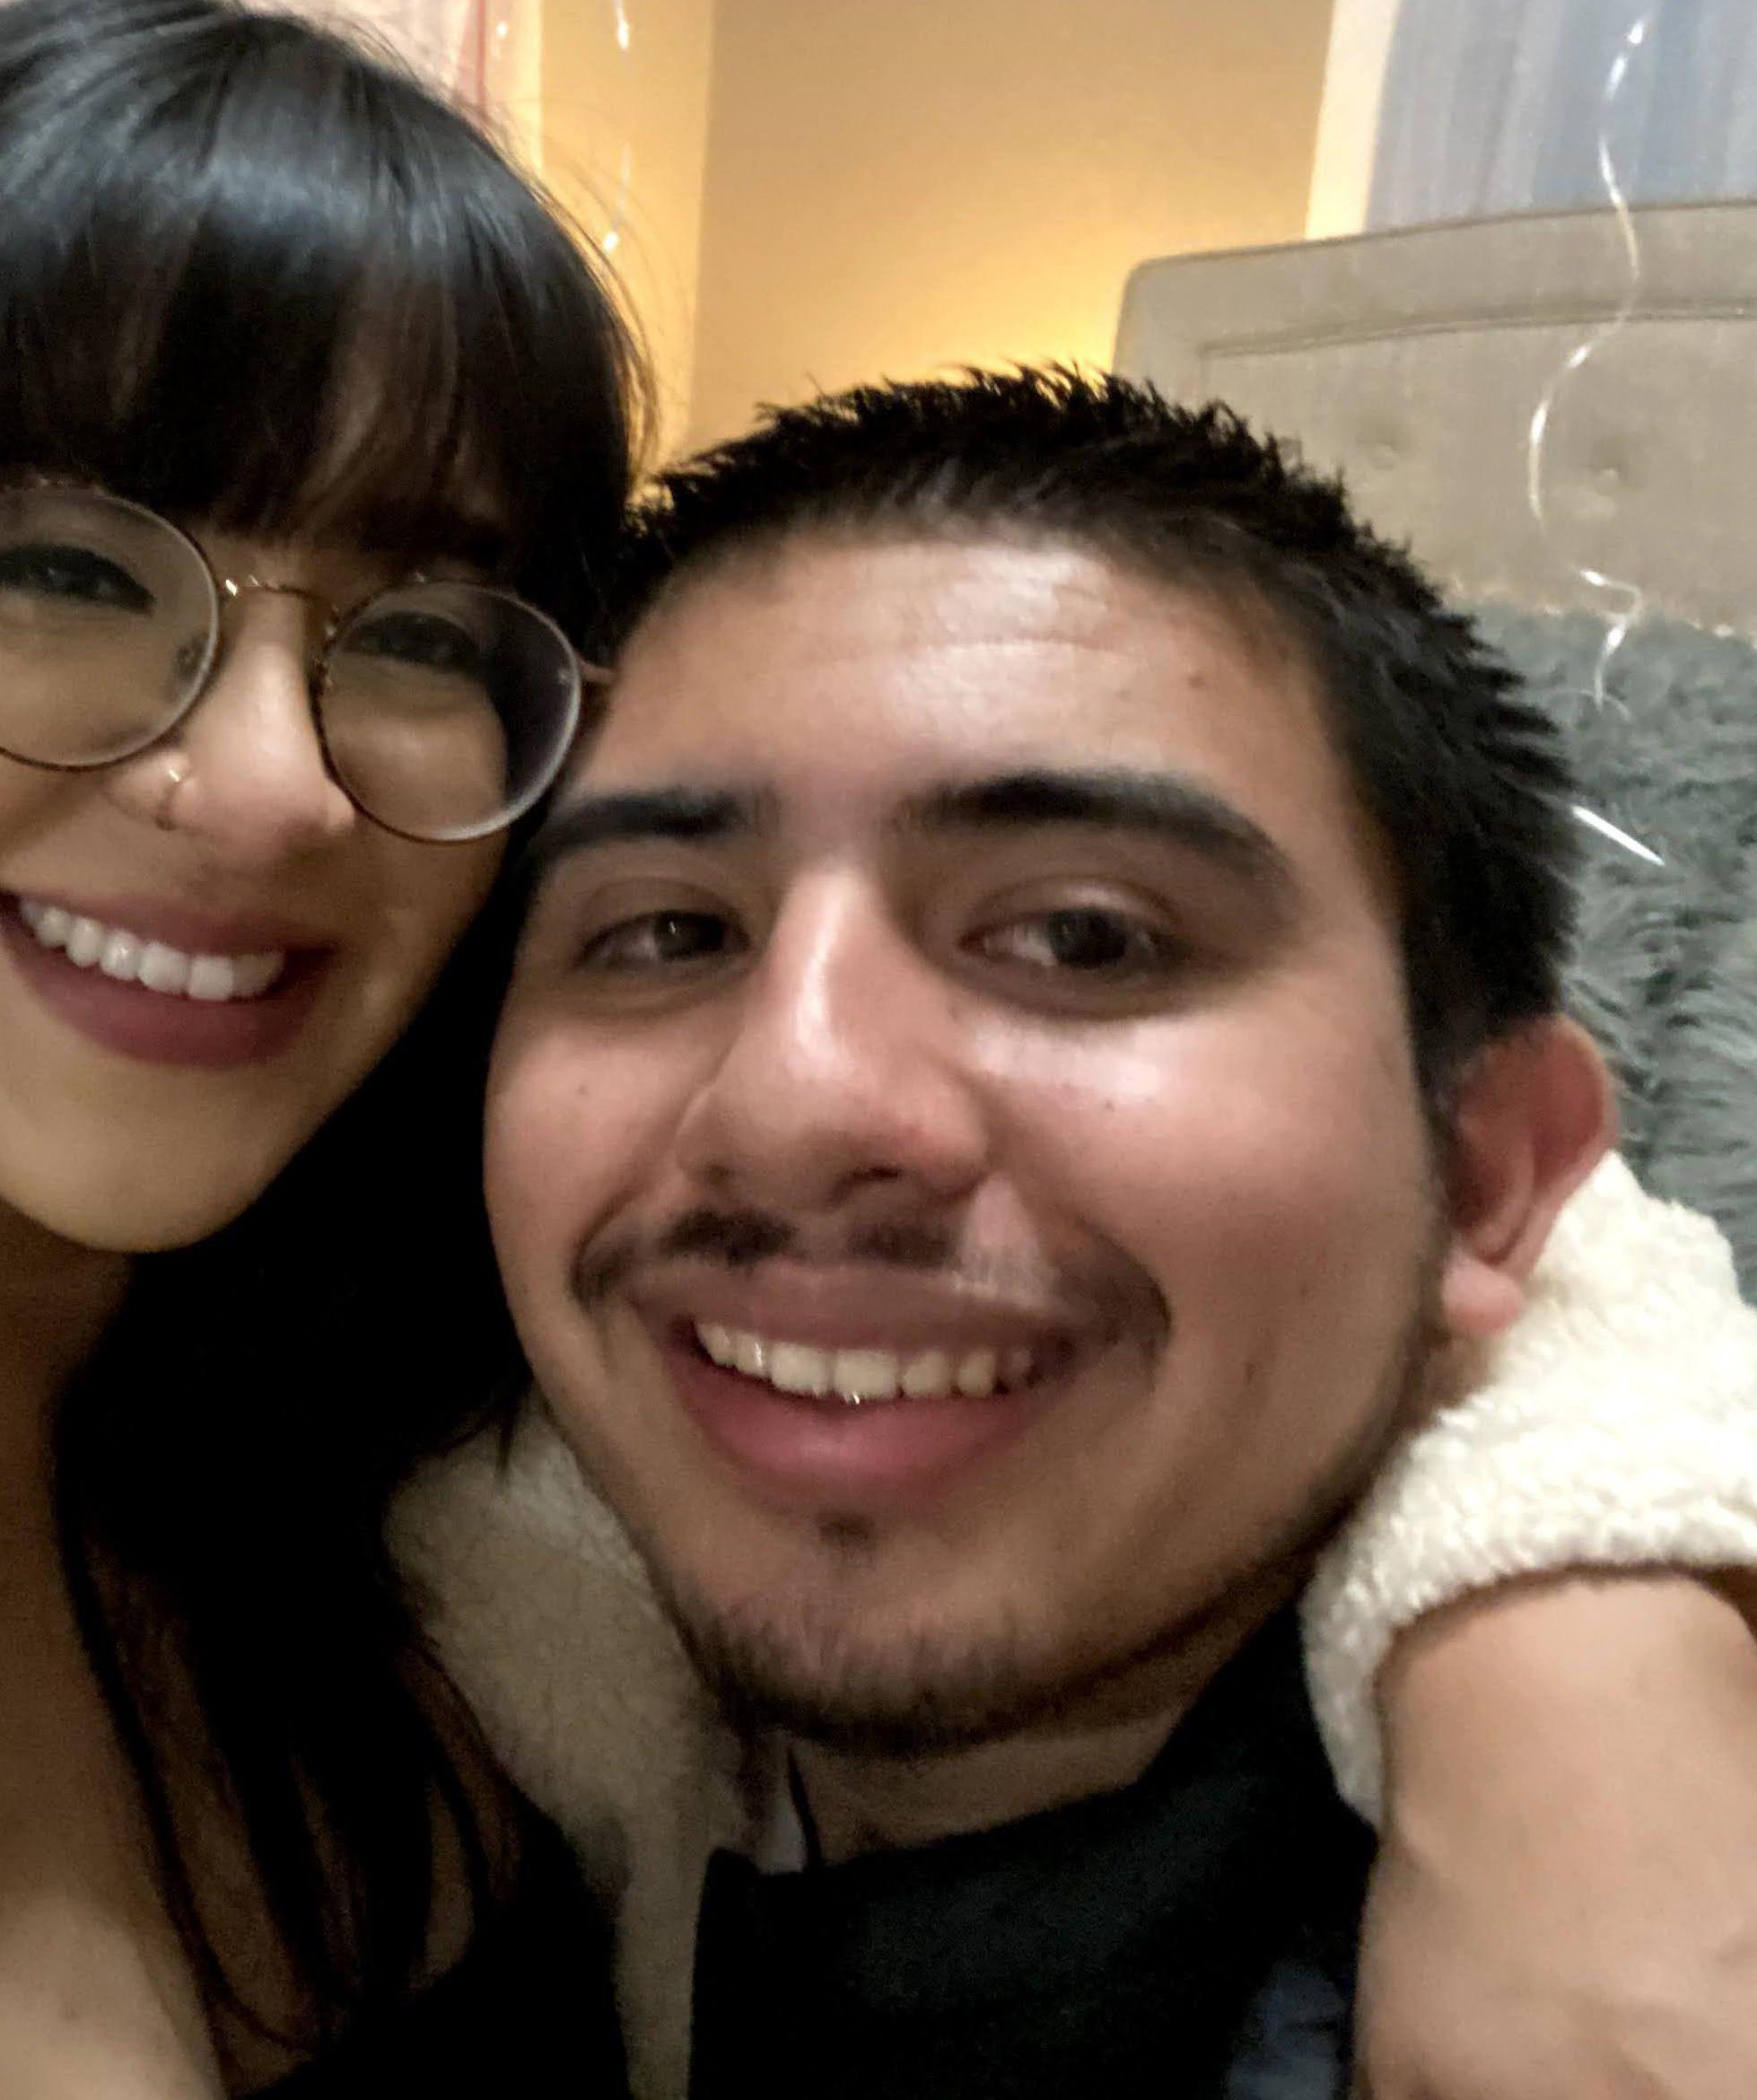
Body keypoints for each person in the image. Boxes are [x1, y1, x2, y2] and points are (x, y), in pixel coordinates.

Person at [0, 0, 1757, 2100]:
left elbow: (1498, 1203)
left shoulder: (479, 1444)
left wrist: (1579, 1671)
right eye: (66, 572)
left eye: (415, 635)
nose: (267, 786)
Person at [471, 369, 1757, 2096]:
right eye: (667, 933)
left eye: (1083, 937)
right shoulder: (395, 1742)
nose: (795, 1101)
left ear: (1489, 1176)